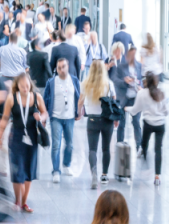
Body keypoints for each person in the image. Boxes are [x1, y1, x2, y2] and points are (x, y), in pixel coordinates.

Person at [0, 73, 48, 213]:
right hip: (16, 137)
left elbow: (45, 113)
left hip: (32, 138)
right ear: (17, 86)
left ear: (30, 85)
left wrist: (41, 116)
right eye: (22, 86)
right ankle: (17, 199)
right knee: (17, 170)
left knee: (28, 170)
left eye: (27, 86)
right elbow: (5, 118)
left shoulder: (37, 97)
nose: (25, 89)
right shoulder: (11, 98)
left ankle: (24, 202)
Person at [77, 60, 116, 189]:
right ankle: (104, 175)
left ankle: (94, 172)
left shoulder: (85, 84)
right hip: (107, 120)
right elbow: (114, 101)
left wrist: (79, 113)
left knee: (92, 149)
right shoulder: (109, 84)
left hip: (92, 120)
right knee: (106, 148)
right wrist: (116, 118)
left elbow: (80, 102)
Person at [125, 73, 167, 185]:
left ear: (146, 82)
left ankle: (143, 152)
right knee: (158, 149)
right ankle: (157, 177)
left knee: (144, 143)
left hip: (148, 123)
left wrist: (126, 108)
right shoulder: (161, 93)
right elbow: (166, 111)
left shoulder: (142, 93)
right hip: (160, 124)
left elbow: (135, 110)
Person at [43, 58, 81, 183]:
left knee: (69, 144)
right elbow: (46, 99)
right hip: (56, 117)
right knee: (56, 145)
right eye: (59, 68)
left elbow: (79, 97)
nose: (61, 70)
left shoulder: (74, 81)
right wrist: (44, 115)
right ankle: (55, 170)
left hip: (70, 117)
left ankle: (66, 164)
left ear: (68, 66)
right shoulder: (52, 82)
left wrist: (79, 111)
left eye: (63, 66)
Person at [115, 47, 143, 153]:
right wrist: (124, 81)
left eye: (134, 55)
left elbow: (143, 80)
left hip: (135, 98)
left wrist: (141, 87)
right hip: (123, 98)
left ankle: (139, 146)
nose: (132, 57)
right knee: (121, 123)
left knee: (136, 122)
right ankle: (119, 144)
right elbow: (116, 81)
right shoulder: (121, 67)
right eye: (130, 55)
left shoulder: (139, 66)